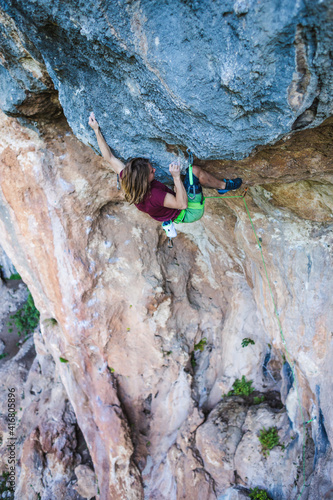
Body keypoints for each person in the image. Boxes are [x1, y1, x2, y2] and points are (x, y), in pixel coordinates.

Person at [88, 112, 242, 225]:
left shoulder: (129, 179)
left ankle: (215, 186)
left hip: (171, 207)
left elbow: (110, 158)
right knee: (193, 171)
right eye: (151, 172)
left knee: (183, 181)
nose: (154, 170)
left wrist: (96, 130)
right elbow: (182, 204)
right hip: (188, 212)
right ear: (143, 180)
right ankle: (223, 186)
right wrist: (175, 177)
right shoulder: (153, 196)